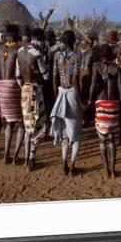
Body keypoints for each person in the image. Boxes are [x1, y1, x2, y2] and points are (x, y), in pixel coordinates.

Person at [16, 27, 50, 170]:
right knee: (38, 126)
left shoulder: (19, 52)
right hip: (35, 90)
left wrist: (24, 87)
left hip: (24, 90)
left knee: (27, 125)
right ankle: (31, 158)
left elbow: (18, 76)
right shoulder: (36, 53)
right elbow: (46, 75)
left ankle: (26, 158)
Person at [50, 30, 84, 176]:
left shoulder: (57, 56)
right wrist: (81, 101)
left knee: (64, 133)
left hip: (61, 93)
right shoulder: (76, 56)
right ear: (73, 41)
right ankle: (72, 166)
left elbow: (54, 78)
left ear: (63, 41)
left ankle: (64, 164)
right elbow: (75, 80)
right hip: (71, 93)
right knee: (76, 136)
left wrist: (56, 96)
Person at [88, 44, 121, 179]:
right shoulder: (116, 67)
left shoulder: (96, 66)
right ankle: (113, 170)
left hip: (101, 104)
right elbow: (120, 87)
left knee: (102, 140)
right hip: (113, 104)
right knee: (112, 139)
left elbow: (92, 85)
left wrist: (90, 101)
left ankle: (106, 169)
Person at [0, 24, 24, 164]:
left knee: (9, 123)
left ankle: (6, 154)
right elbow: (20, 72)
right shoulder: (19, 49)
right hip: (14, 87)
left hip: (2, 86)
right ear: (16, 35)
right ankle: (16, 155)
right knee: (22, 122)